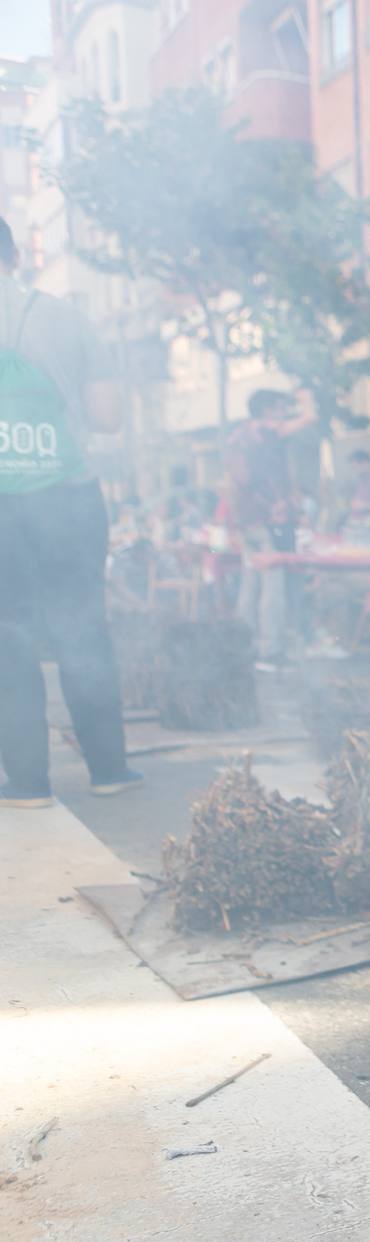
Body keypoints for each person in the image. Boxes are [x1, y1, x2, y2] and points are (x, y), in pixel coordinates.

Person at [0, 214, 140, 807]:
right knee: (83, 628)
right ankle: (108, 770)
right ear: (16, 254)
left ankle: (29, 782)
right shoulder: (66, 318)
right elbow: (108, 417)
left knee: (8, 639)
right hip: (68, 498)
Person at [221, 386, 318, 664]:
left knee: (251, 582)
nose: (284, 413)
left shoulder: (238, 434)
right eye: (279, 407)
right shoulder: (265, 429)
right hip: (268, 517)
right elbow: (307, 420)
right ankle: (270, 649)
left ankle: (242, 643)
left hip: (245, 517)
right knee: (272, 583)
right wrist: (306, 399)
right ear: (267, 411)